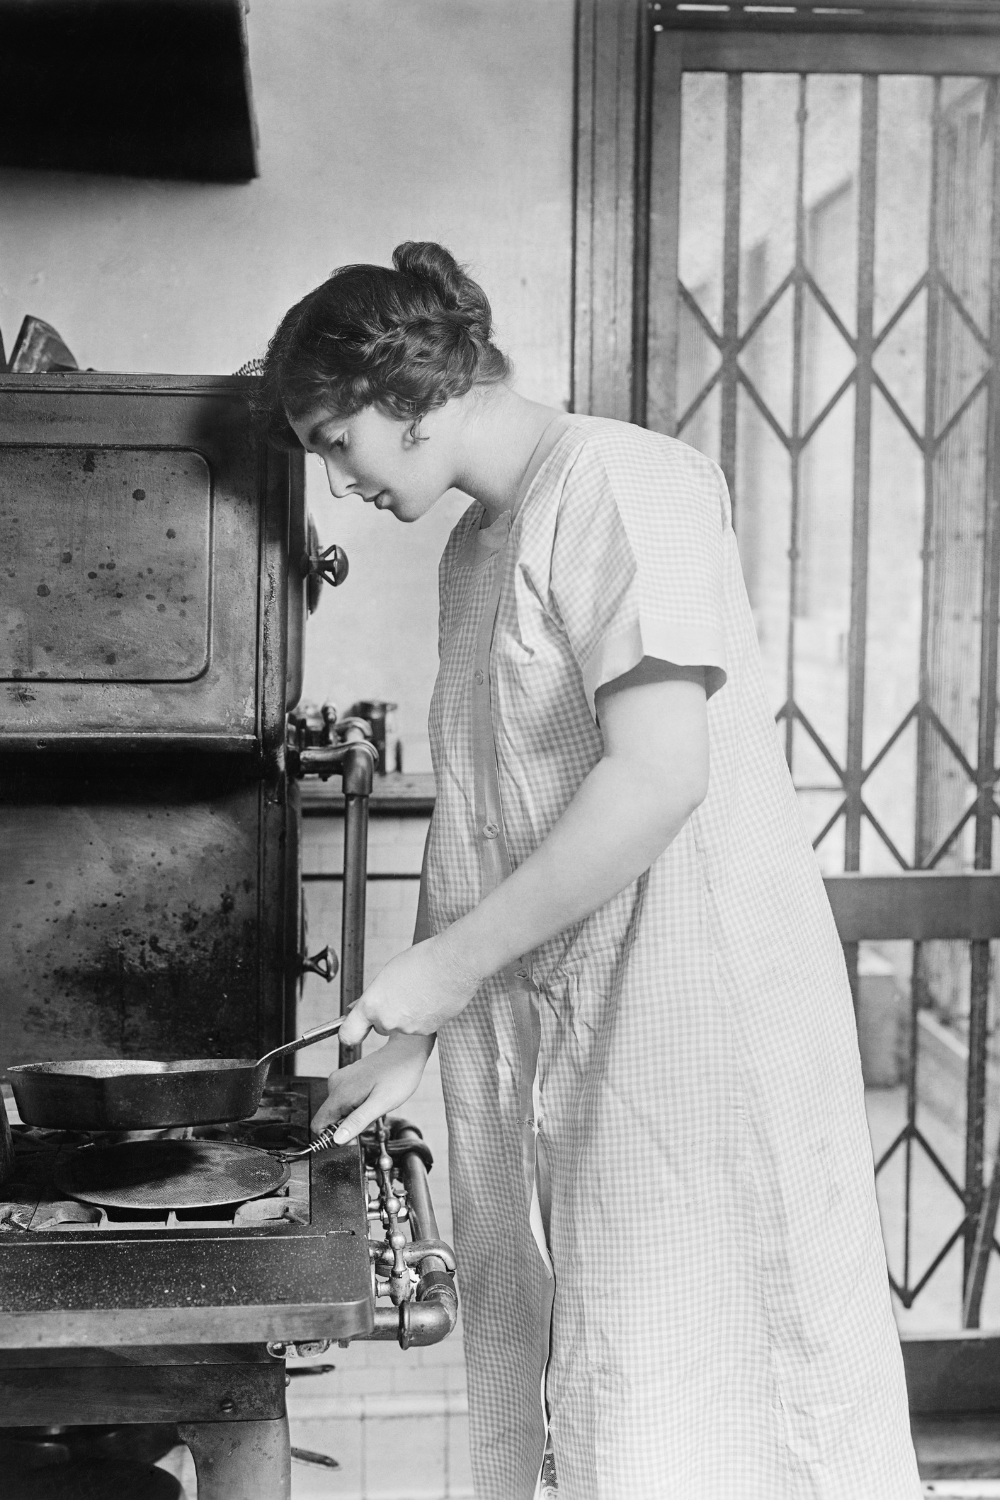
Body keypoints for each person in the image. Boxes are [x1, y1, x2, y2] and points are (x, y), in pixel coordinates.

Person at [256, 242, 920, 1500]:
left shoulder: (622, 481)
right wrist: (410, 1033)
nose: (339, 485)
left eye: (335, 442)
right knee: (616, 1388)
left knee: (725, 1382)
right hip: (574, 1011)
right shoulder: (475, 549)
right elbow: (488, 815)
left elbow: (659, 774)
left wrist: (448, 967)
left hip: (693, 1006)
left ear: (407, 395)